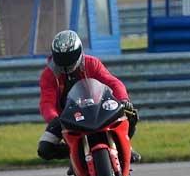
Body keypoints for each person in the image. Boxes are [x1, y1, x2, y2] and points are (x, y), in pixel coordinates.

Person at [37, 30, 140, 164]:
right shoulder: (48, 74)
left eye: (70, 56)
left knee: (130, 113)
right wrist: (54, 118)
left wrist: (123, 100)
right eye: (62, 57)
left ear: (79, 51)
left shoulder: (91, 63)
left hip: (98, 109)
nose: (66, 63)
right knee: (45, 149)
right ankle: (75, 154)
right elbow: (47, 102)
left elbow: (113, 82)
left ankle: (125, 147)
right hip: (67, 119)